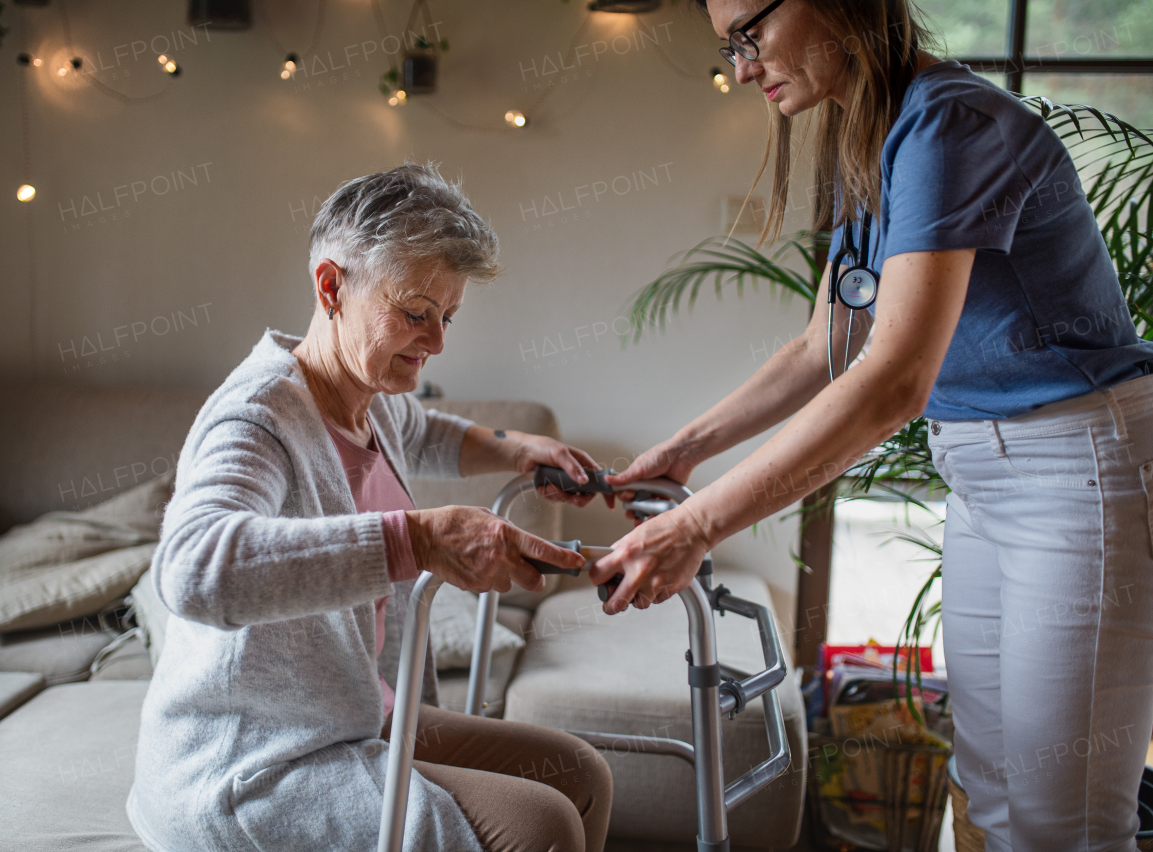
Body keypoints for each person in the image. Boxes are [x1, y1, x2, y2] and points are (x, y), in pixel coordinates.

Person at [595, 1, 1153, 849]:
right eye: (729, 47)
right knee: (990, 788)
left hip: (1076, 470)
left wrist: (699, 523)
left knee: (1059, 819)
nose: (742, 68)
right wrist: (682, 454)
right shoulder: (878, 135)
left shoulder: (951, 124)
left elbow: (893, 378)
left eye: (749, 34)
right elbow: (825, 343)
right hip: (980, 476)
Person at [127, 163, 612, 852]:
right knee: (542, 824)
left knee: (577, 773)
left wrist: (518, 448)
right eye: (416, 313)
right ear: (331, 287)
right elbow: (194, 567)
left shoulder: (372, 401)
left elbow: (427, 433)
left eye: (447, 317)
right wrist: (414, 541)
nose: (438, 340)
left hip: (348, 715)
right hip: (255, 760)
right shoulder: (256, 417)